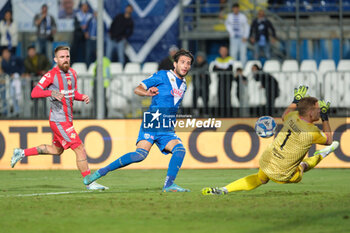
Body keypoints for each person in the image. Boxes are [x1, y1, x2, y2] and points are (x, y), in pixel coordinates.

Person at [83, 49, 194, 192]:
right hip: (153, 121)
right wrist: (147, 93)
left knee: (178, 150)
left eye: (188, 63)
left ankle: (169, 185)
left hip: (166, 126)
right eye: (183, 62)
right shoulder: (162, 75)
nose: (185, 66)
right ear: (175, 64)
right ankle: (101, 172)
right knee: (141, 155)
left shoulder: (184, 84)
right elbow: (138, 89)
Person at [202, 85, 340, 195]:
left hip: (268, 160)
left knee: (260, 178)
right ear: (311, 113)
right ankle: (323, 154)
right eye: (318, 109)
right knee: (302, 167)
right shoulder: (311, 132)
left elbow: (284, 115)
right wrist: (325, 117)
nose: (319, 110)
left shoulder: (292, 116)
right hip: (284, 174)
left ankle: (223, 190)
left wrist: (295, 101)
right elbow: (328, 139)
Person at [10, 46, 108, 190]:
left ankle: (21, 152)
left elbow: (72, 93)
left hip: (67, 120)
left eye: (67, 56)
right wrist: (50, 93)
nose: (65, 59)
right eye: (62, 57)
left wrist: (82, 97)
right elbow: (35, 92)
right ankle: (90, 182)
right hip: (58, 120)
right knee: (79, 148)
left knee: (57, 150)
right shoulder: (51, 75)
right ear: (55, 60)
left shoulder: (73, 73)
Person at [23, 45, 52, 118]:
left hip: (42, 80)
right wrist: (27, 74)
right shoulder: (26, 60)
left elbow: (49, 64)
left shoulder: (42, 57)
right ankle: (35, 115)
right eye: (30, 52)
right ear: (28, 52)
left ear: (35, 51)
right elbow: (26, 70)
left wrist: (44, 71)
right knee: (35, 97)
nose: (31, 53)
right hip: (33, 80)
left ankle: (45, 115)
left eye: (32, 51)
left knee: (44, 98)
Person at [1, 48, 24, 117]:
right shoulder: (3, 61)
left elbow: (22, 66)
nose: (6, 54)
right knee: (10, 95)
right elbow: (4, 71)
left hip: (17, 79)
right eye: (4, 53)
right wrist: (9, 74)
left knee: (17, 94)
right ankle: (7, 111)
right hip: (8, 80)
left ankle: (17, 111)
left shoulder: (16, 59)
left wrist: (20, 73)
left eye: (7, 53)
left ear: (9, 53)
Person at [212, 45, 234, 117]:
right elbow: (214, 69)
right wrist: (224, 69)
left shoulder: (230, 59)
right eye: (222, 50)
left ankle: (228, 114)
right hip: (220, 80)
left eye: (225, 50)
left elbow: (229, 69)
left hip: (228, 79)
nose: (223, 52)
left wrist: (220, 68)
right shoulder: (217, 59)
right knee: (220, 96)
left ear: (227, 51)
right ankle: (221, 113)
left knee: (227, 96)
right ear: (219, 51)